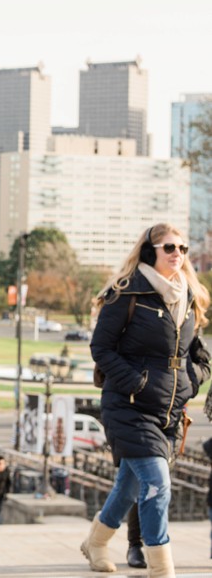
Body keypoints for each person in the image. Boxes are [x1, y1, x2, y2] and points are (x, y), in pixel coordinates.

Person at [81, 223, 211, 576]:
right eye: (169, 247)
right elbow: (101, 348)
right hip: (128, 406)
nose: (177, 255)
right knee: (157, 484)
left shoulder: (188, 297)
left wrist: (190, 382)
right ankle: (161, 568)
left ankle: (94, 543)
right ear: (150, 250)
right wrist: (136, 383)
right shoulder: (126, 292)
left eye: (183, 249)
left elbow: (197, 355)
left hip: (167, 412)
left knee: (129, 486)